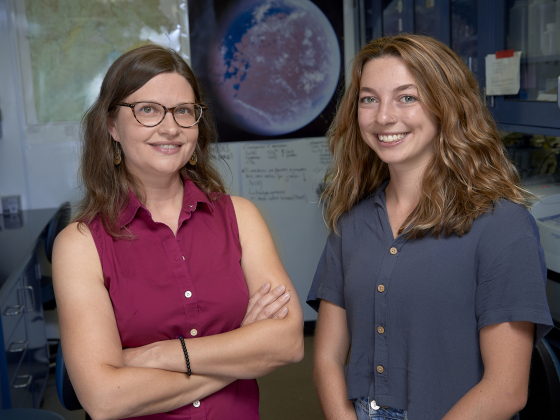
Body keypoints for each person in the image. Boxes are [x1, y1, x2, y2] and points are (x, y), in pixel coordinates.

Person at [307, 34, 553, 420]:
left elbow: (506, 390)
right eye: (369, 99)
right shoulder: (351, 224)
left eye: (407, 97)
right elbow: (326, 355)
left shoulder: (502, 225)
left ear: (446, 107)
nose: (384, 116)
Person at [52, 44, 304, 420]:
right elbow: (105, 400)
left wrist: (161, 355)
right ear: (111, 125)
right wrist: (240, 353)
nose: (170, 128)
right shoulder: (80, 245)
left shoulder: (241, 217)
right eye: (148, 110)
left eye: (184, 111)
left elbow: (287, 343)